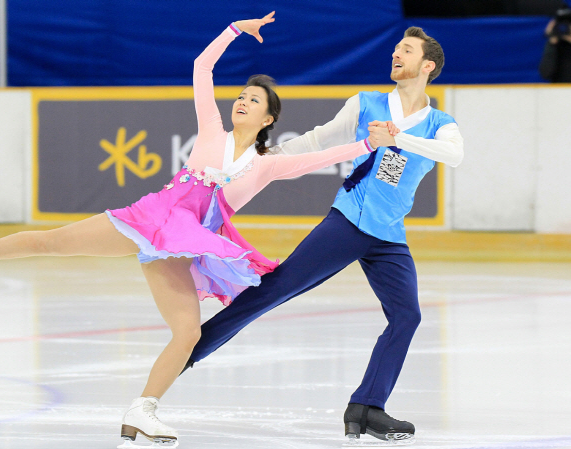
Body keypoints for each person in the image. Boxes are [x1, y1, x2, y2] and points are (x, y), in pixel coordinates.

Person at [0, 12, 384, 447]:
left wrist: (367, 142)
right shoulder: (211, 131)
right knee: (50, 241)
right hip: (153, 218)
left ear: (269, 119)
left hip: (187, 242)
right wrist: (234, 30)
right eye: (242, 94)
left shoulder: (267, 164)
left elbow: (323, 157)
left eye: (254, 99)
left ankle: (142, 410)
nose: (242, 100)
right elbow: (202, 67)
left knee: (186, 333)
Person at [182, 26, 464, 445]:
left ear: (428, 66)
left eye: (405, 50)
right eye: (394, 48)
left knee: (407, 316)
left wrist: (399, 137)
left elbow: (454, 156)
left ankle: (367, 407)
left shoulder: (440, 123)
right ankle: (188, 353)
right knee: (276, 288)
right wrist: (262, 158)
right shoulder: (366, 104)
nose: (395, 54)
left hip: (388, 234)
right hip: (348, 221)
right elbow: (318, 140)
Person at [540, 6, 571, 82]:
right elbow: (545, 74)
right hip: (559, 90)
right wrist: (552, 44)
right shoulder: (554, 45)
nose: (565, 26)